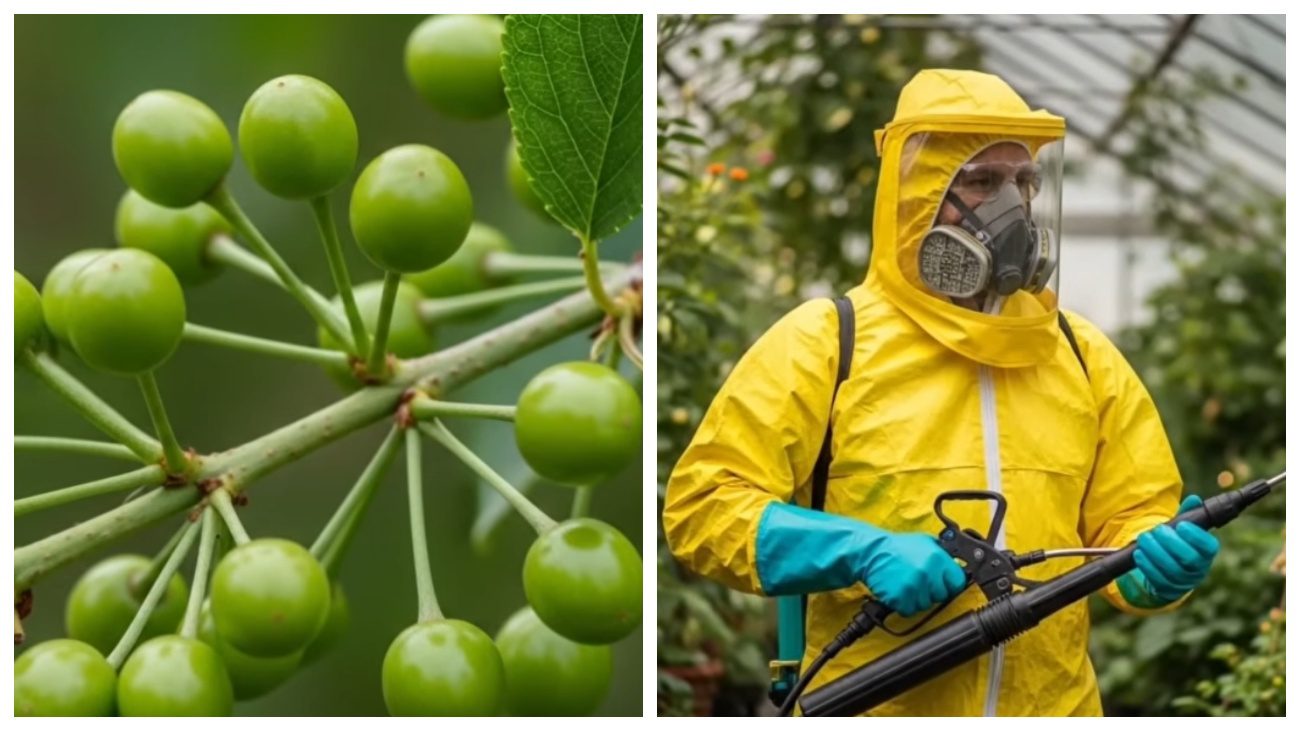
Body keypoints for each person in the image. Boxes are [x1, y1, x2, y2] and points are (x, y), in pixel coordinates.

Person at [662, 69, 1219, 716]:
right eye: (983, 182)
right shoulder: (829, 341)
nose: (1011, 206)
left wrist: (1154, 563)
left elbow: (1131, 514)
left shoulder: (1078, 352)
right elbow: (703, 504)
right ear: (917, 198)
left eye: (1024, 182)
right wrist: (857, 550)